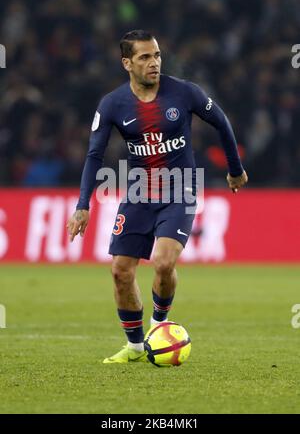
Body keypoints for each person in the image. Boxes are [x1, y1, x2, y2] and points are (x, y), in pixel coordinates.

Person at [67, 30, 248, 363]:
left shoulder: (184, 92)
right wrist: (82, 205)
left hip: (182, 187)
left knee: (163, 262)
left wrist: (235, 169)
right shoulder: (113, 104)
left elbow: (221, 122)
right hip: (138, 191)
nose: (154, 63)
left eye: (157, 55)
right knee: (120, 271)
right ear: (127, 63)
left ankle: (158, 328)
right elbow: (95, 155)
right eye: (145, 57)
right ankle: (135, 346)